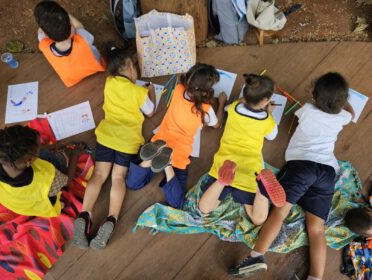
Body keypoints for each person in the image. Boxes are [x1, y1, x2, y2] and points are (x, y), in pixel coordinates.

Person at [229, 72, 355, 280]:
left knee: (279, 212)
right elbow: (349, 112)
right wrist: (344, 102)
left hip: (302, 168)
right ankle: (315, 277)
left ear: (314, 96)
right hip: (326, 173)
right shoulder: (342, 116)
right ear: (342, 101)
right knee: (317, 229)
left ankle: (257, 256)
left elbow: (312, 106)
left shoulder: (307, 110)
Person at [72, 44, 156, 250]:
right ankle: (111, 218)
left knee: (99, 175)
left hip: (106, 136)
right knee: (118, 178)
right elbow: (150, 112)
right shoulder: (138, 91)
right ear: (129, 67)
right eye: (134, 68)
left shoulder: (109, 82)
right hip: (127, 142)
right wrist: (150, 92)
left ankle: (85, 213)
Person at [125, 63, 226, 209]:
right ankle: (167, 165)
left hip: (159, 140)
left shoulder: (178, 89)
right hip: (179, 152)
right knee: (178, 202)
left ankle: (148, 161)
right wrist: (221, 103)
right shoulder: (205, 109)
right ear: (206, 91)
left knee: (132, 184)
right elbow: (216, 125)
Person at [199, 74, 286, 225]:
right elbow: (272, 136)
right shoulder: (267, 120)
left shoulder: (233, 108)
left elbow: (231, 106)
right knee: (258, 219)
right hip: (250, 168)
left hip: (225, 162)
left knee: (204, 208)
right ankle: (261, 190)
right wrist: (269, 113)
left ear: (244, 94)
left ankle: (221, 182)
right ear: (266, 102)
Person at [0, 125, 79, 217]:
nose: (42, 146)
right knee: (58, 162)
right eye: (39, 146)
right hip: (40, 205)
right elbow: (67, 180)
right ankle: (58, 205)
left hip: (14, 202)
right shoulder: (48, 178)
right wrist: (75, 154)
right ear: (29, 161)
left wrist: (52, 146)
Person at [34, 0, 104, 87]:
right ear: (71, 26)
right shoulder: (83, 39)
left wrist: (46, 24)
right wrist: (66, 14)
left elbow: (40, 33)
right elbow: (80, 26)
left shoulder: (44, 44)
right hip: (94, 67)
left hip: (71, 79)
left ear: (46, 35)